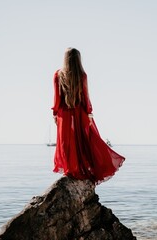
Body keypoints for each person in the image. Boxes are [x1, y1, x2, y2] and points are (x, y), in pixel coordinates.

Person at [51, 47, 125, 184]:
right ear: (78, 60)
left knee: (66, 142)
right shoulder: (82, 75)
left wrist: (55, 113)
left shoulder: (58, 75)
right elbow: (85, 96)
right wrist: (89, 113)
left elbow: (57, 97)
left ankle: (69, 170)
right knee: (85, 140)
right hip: (80, 112)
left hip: (64, 113)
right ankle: (86, 168)